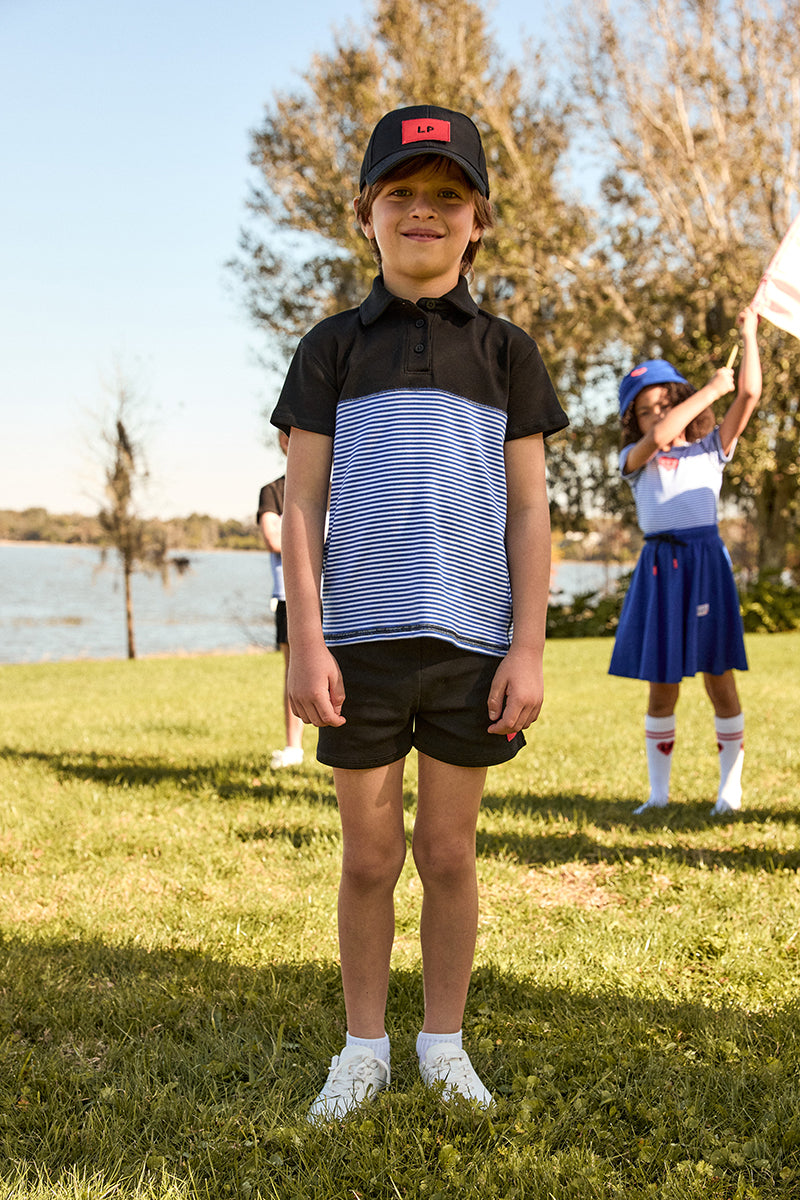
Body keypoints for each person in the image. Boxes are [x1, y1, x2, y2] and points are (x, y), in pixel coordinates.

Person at [271, 104, 568, 1119]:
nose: (423, 213)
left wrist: (526, 647)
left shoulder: (507, 354)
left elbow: (528, 509)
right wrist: (302, 641)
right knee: (367, 856)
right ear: (365, 213)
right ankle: (362, 1048)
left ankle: (441, 1043)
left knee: (446, 855)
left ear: (478, 218)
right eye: (402, 193)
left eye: (447, 196)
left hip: (470, 645)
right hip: (353, 646)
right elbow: (300, 504)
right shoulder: (327, 351)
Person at [609, 307, 762, 816]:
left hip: (706, 566)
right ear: (634, 419)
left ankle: (729, 791)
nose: (657, 416)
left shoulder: (710, 449)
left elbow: (750, 394)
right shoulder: (634, 460)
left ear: (680, 402)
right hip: (660, 569)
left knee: (720, 678)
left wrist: (749, 333)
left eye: (664, 404)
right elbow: (655, 440)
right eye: (646, 409)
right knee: (662, 687)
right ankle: (657, 794)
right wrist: (711, 388)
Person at [257, 430, 305, 769]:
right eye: (287, 434)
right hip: (291, 596)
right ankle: (294, 749)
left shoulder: (339, 481)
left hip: (338, 594)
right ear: (282, 441)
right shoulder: (273, 491)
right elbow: (274, 539)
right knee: (295, 671)